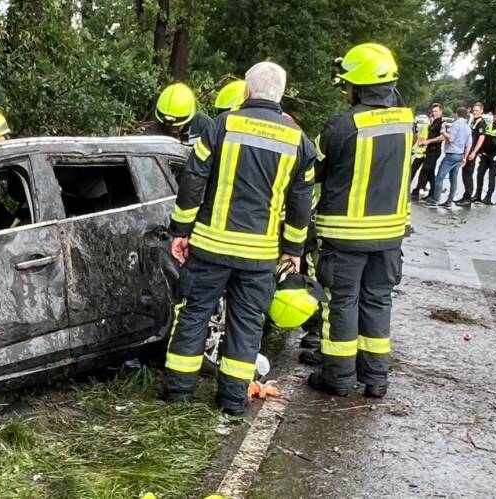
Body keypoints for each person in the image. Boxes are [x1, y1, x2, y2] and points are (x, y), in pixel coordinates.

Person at [160, 61, 314, 416]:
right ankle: (231, 401)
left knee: (195, 315)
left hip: (211, 247)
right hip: (259, 256)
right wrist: (293, 250)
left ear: (246, 91)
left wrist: (180, 231)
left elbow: (193, 180)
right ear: (281, 95)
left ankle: (178, 394)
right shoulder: (298, 141)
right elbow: (301, 200)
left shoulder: (221, 126)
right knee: (246, 324)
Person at [310, 43, 413, 399]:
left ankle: (337, 377)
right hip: (390, 236)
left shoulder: (341, 125)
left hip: (346, 235)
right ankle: (375, 379)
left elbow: (314, 171)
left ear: (358, 86)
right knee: (378, 301)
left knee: (342, 303)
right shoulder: (407, 123)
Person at [427, 106, 471, 207]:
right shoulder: (468, 127)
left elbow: (451, 138)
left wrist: (443, 131)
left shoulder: (456, 124)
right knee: (453, 179)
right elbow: (468, 144)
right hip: (460, 155)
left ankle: (435, 199)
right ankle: (449, 201)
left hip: (451, 154)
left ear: (456, 114)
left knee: (440, 176)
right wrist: (465, 157)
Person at [145, 82, 215, 144]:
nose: (172, 128)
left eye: (177, 125)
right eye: (168, 124)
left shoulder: (202, 125)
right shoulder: (154, 132)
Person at [410, 103, 444, 200]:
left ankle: (417, 191)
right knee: (430, 172)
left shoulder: (442, 123)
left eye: (436, 111)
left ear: (441, 112)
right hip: (426, 151)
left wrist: (428, 141)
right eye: (433, 111)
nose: (434, 113)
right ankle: (433, 192)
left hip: (433, 151)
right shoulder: (432, 123)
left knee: (424, 171)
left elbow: (442, 137)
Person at [456, 102, 486, 205]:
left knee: (468, 174)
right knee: (465, 174)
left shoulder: (481, 122)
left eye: (477, 111)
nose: (475, 112)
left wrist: (474, 152)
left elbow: (481, 138)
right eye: (474, 111)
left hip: (472, 151)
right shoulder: (474, 121)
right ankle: (465, 196)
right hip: (468, 149)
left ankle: (468, 198)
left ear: (482, 111)